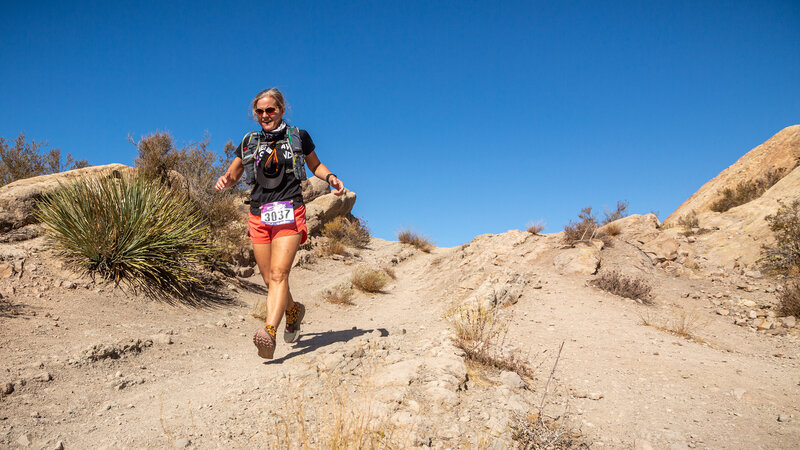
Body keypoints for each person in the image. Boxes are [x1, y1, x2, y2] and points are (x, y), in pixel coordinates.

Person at [215, 88, 345, 359]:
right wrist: (226, 179)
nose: (265, 115)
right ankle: (294, 310)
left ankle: (269, 332)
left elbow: (315, 165)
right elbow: (235, 171)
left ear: (282, 110)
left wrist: (330, 177)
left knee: (278, 276)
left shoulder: (298, 136)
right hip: (258, 214)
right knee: (268, 278)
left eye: (270, 110)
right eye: (260, 111)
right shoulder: (250, 140)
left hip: (290, 209)